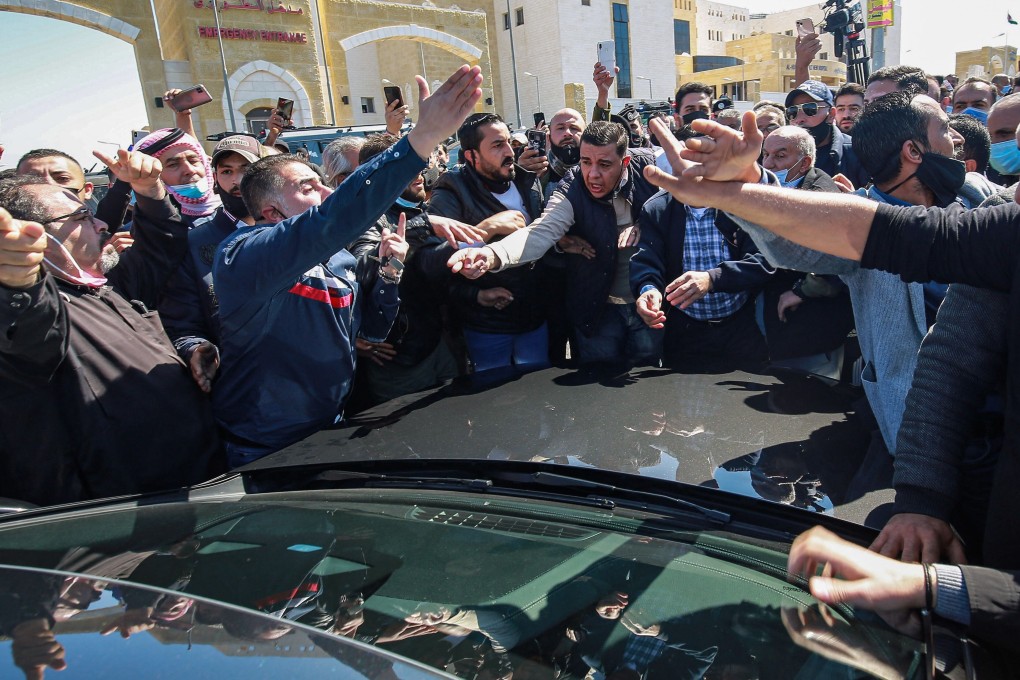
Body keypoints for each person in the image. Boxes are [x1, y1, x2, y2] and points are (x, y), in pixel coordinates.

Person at [210, 65, 482, 465]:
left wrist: (390, 272)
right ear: (270, 211)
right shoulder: (243, 256)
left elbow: (370, 330)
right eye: (307, 187)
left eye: (323, 181)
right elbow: (331, 219)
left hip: (333, 428)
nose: (325, 190)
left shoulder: (338, 258)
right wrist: (419, 139)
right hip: (265, 442)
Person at [0, 149, 222, 506]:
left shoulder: (99, 285)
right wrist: (17, 285)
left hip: (191, 491)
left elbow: (162, 246)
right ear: (34, 235)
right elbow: (28, 334)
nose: (103, 224)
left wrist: (149, 190)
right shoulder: (30, 305)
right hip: (119, 529)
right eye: (83, 217)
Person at [448, 121, 663, 366]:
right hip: (597, 309)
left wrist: (646, 220)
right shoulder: (572, 186)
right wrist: (492, 255)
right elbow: (540, 232)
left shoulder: (651, 166)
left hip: (650, 306)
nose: (592, 174)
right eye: (585, 162)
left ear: (624, 162)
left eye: (604, 165)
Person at [348, 133, 486, 404]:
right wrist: (420, 227)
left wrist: (476, 294)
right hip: (400, 362)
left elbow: (429, 277)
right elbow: (360, 270)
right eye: (407, 166)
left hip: (442, 346)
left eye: (421, 163)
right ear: (376, 175)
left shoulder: (421, 208)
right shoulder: (362, 218)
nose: (420, 172)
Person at [427, 112, 548, 373]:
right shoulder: (451, 191)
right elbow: (433, 261)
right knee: (494, 400)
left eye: (507, 142)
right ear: (471, 156)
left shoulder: (526, 180)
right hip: (488, 325)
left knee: (540, 399)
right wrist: (487, 229)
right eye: (496, 145)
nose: (509, 152)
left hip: (535, 317)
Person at [158, 134, 265, 394]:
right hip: (242, 391)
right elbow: (181, 325)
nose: (237, 181)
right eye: (226, 171)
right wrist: (195, 348)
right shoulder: (192, 244)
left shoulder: (294, 230)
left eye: (247, 169)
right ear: (214, 179)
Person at [758, 126, 852, 362]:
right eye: (765, 154)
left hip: (811, 320)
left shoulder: (820, 197)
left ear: (804, 162)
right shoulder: (773, 188)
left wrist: (804, 290)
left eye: (780, 156)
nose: (768, 164)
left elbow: (837, 259)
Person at [785, 80, 869, 189]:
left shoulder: (856, 151)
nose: (800, 119)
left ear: (831, 114)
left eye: (810, 109)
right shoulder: (778, 152)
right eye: (793, 111)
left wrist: (855, 198)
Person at [134, 127, 222, 225]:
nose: (190, 170)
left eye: (193, 161)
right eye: (173, 165)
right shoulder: (150, 229)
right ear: (155, 174)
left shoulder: (237, 209)